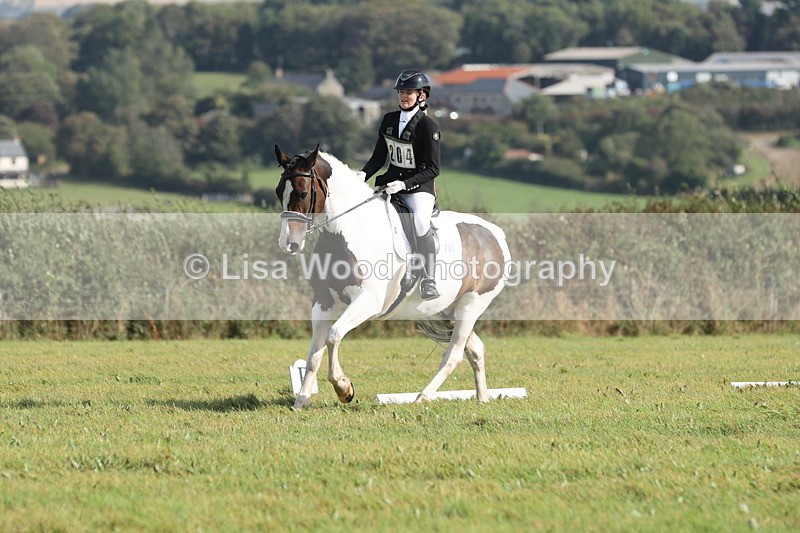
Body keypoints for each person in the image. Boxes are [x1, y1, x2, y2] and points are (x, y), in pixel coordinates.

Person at [358, 69, 442, 300]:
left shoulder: (428, 127)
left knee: (420, 222)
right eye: (401, 92)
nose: (404, 96)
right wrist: (363, 174)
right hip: (390, 184)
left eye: (409, 92)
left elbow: (433, 169)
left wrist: (404, 185)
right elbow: (379, 157)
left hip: (419, 188)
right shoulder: (389, 120)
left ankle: (429, 278)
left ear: (421, 96)